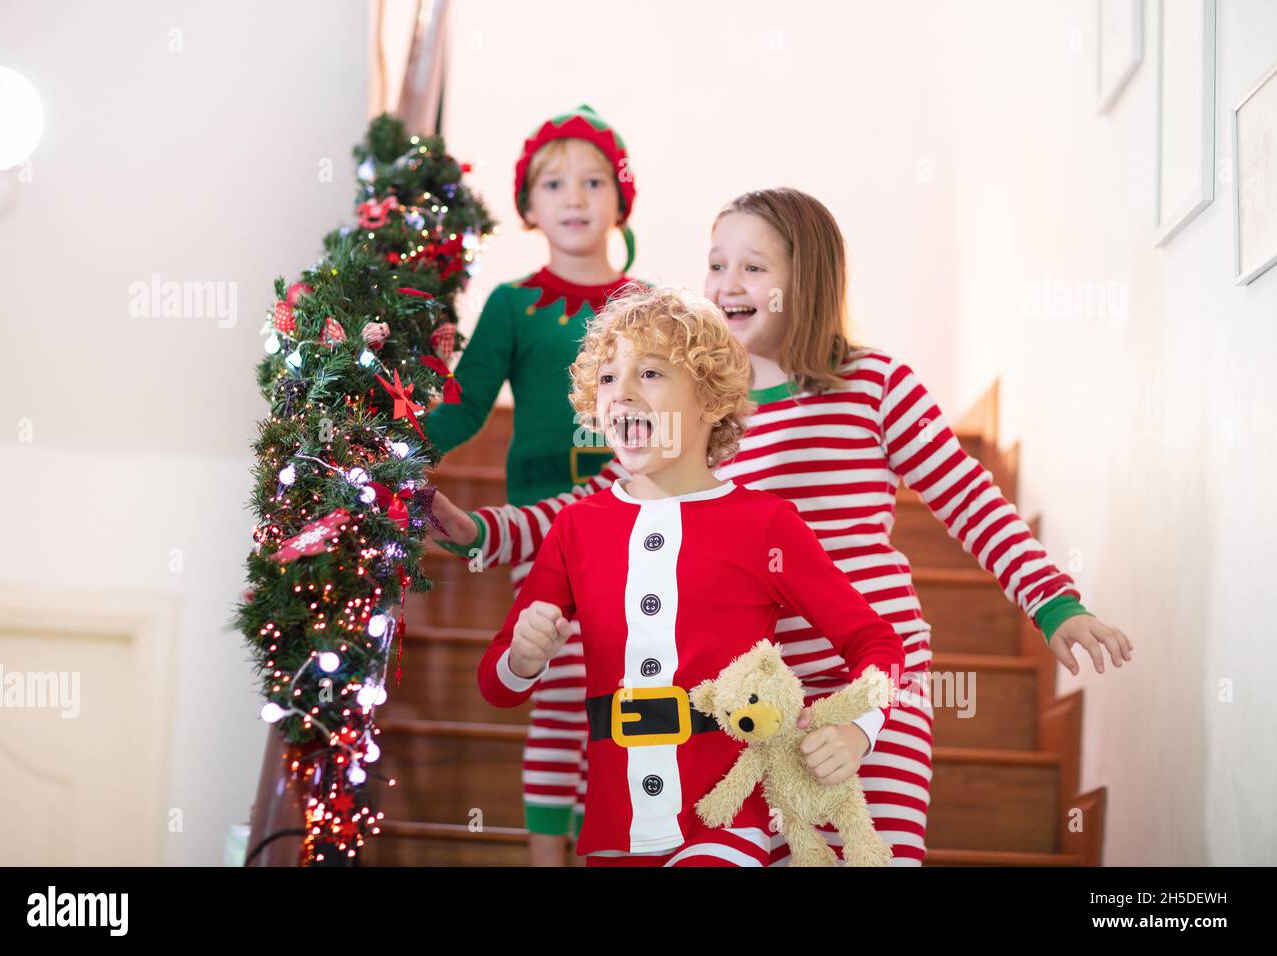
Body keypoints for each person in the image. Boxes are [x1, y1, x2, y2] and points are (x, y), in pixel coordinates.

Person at [443, 188, 1134, 865]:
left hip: (870, 679)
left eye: (752, 266)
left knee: (873, 850)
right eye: (716, 264)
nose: (726, 282)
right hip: (758, 695)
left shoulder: (873, 384)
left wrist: (1053, 601)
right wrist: (480, 534)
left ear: (806, 279)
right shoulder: (698, 408)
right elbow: (592, 508)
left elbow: (972, 502)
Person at [476, 284, 906, 866]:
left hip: (724, 823)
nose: (621, 394)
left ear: (709, 401)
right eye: (607, 378)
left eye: (649, 374)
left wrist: (859, 727)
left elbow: (874, 641)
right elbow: (496, 686)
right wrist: (522, 659)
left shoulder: (765, 525)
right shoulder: (576, 528)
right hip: (612, 827)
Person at [425, 104, 642, 865]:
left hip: (638, 523)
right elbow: (467, 403)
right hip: (543, 530)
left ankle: (609, 847)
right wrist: (397, 445)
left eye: (592, 181)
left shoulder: (652, 308)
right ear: (527, 206)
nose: (575, 197)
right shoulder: (513, 305)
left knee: (617, 699)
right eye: (554, 184)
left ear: (622, 198)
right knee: (557, 696)